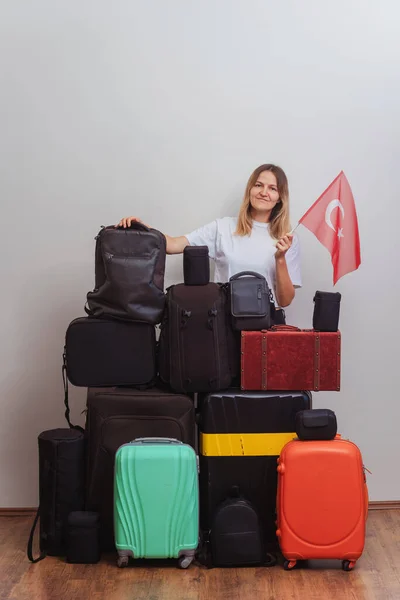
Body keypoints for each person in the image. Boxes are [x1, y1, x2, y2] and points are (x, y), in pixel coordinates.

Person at [117, 163, 301, 321]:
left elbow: (285, 301)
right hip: (225, 320)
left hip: (267, 324)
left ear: (280, 198)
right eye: (258, 185)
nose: (263, 192)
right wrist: (142, 229)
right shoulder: (222, 228)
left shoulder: (286, 238)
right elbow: (173, 245)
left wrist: (280, 258)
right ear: (250, 190)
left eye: (272, 188)